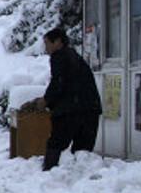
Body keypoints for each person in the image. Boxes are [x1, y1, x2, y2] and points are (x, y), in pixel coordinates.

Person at [40, 27, 102, 170]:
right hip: (90, 108)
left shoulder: (59, 57)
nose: (46, 48)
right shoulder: (73, 56)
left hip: (72, 110)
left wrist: (46, 100)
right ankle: (80, 178)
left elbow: (58, 82)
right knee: (82, 149)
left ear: (58, 42)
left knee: (56, 142)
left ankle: (48, 172)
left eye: (47, 43)